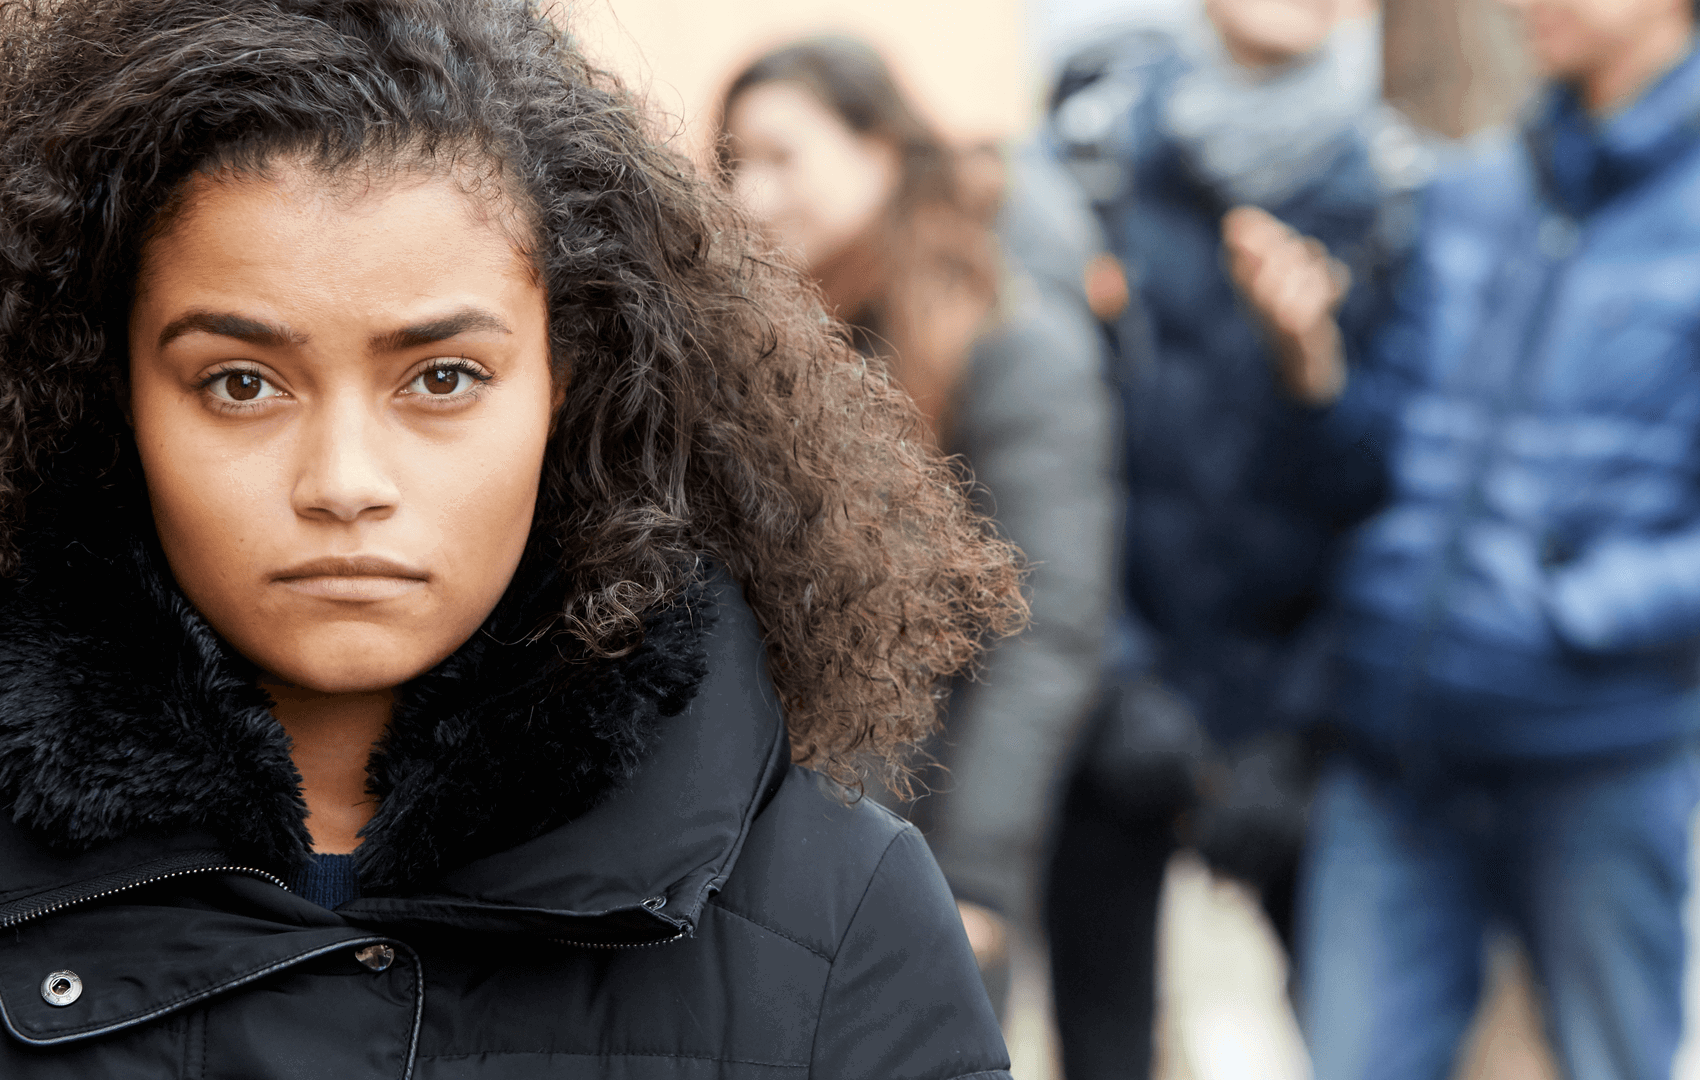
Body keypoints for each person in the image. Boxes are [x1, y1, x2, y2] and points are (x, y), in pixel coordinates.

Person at [0, 2, 1029, 1077]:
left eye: (442, 379)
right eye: (242, 383)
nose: (346, 483)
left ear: (564, 384)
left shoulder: (839, 916)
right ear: (109, 390)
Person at [1226, 0, 1700, 1075]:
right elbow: (1373, 461)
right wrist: (1312, 371)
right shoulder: (1478, 189)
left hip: (1600, 765)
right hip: (1396, 753)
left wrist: (1571, 610)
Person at [1038, 1, 1408, 1075]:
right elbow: (1032, 462)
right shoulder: (1089, 156)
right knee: (1104, 1044)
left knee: (1361, 1040)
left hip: (1305, 716)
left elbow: (1397, 495)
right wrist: (1115, 676)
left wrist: (1301, 729)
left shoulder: (1397, 190)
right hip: (1112, 691)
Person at [719, 37, 1117, 1015]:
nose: (751, 195)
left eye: (782, 158)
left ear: (882, 151)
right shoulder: (767, 349)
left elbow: (1047, 631)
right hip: (780, 856)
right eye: (732, 165)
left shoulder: (1010, 345)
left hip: (926, 853)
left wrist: (978, 881)